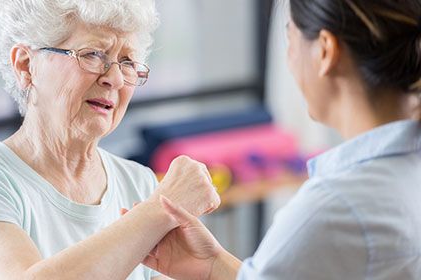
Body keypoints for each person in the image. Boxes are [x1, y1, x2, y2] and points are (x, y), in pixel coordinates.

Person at [139, 0, 421, 279]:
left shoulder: (334, 208)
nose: (289, 58)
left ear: (325, 51)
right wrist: (213, 264)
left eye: (290, 37)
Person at [0, 0, 220, 279]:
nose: (115, 79)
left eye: (127, 62)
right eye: (93, 54)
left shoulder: (139, 182)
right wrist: (161, 208)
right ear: (26, 66)